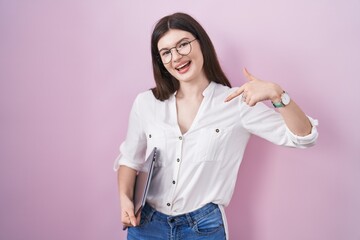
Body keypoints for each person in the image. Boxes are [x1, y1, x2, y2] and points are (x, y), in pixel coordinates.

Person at [114, 12, 318, 240]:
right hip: (147, 226)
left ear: (201, 43)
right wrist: (125, 198)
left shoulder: (237, 103)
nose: (176, 57)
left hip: (202, 229)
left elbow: (304, 137)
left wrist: (276, 94)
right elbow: (129, 160)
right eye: (166, 52)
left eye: (183, 45)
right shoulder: (146, 103)